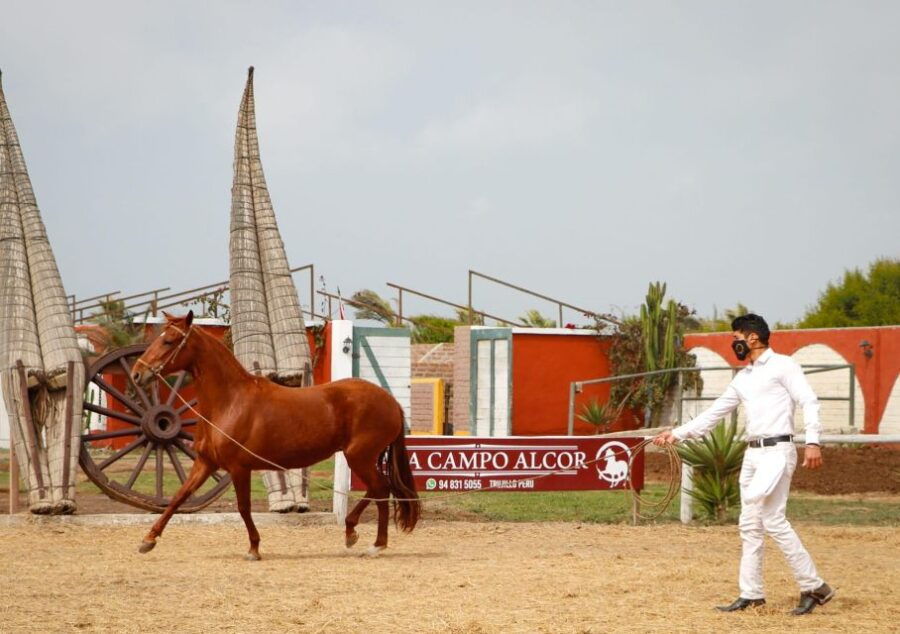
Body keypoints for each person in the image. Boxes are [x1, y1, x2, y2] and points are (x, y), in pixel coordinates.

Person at [653, 314, 835, 615]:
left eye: (736, 336)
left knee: (772, 519)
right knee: (749, 524)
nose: (733, 342)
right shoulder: (744, 378)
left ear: (752, 338)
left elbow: (809, 400)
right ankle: (751, 593)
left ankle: (814, 586)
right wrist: (676, 434)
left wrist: (813, 441)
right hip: (753, 454)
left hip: (778, 450)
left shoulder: (784, 366)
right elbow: (714, 414)